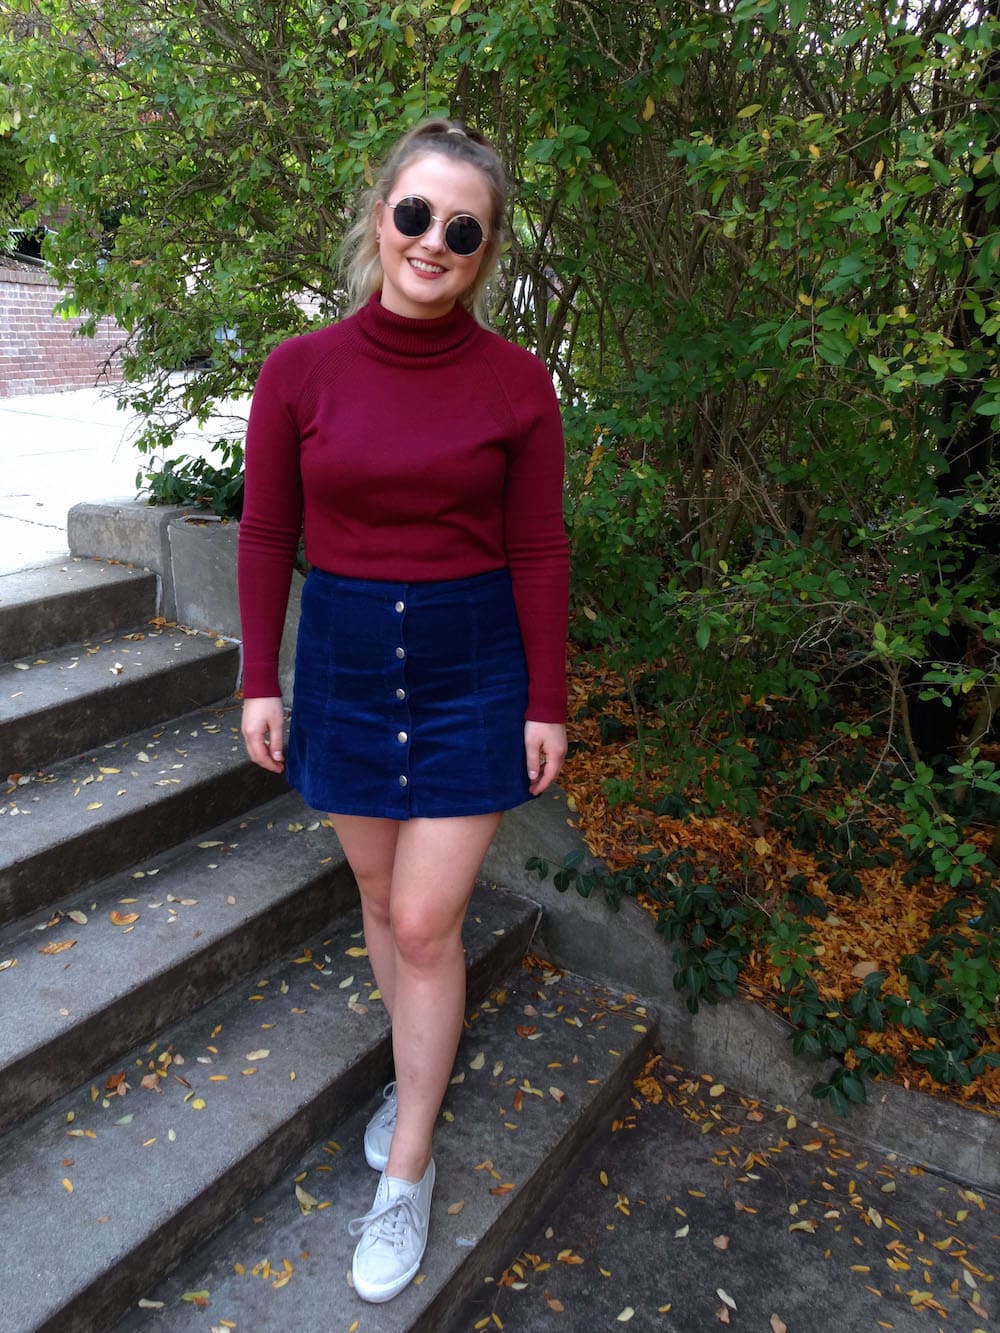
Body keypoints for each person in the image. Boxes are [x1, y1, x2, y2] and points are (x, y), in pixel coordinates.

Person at [236, 118, 569, 1304]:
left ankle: (410, 1165)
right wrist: (259, 678)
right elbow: (271, 530)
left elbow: (536, 543)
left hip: (472, 663)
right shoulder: (298, 369)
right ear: (380, 214)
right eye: (416, 214)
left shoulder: (517, 383)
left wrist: (546, 698)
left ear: (486, 252)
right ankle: (413, 1075)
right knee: (381, 898)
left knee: (426, 918)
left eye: (463, 228)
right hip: (339, 663)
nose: (434, 241)